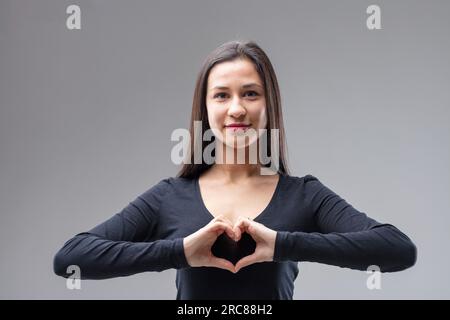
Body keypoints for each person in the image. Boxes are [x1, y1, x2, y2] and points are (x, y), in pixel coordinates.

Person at [53, 40, 417, 299]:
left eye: (251, 94)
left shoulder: (303, 194)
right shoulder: (170, 196)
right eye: (222, 95)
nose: (237, 109)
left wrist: (282, 244)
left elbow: (397, 250)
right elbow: (71, 258)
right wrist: (180, 252)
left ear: (269, 104)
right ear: (205, 107)